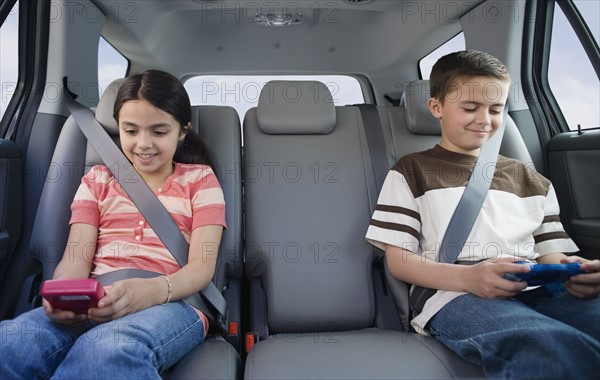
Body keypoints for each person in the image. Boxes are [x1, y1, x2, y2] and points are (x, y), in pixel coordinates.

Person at [366, 50, 600, 378]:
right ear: (436, 108)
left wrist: (574, 271)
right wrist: (467, 278)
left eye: (495, 109)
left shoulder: (532, 179)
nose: (484, 120)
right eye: (470, 108)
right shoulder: (411, 171)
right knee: (545, 344)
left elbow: (550, 252)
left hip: (537, 287)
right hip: (453, 294)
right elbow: (398, 261)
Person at [0, 69, 226, 379]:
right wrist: (64, 297)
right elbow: (75, 258)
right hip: (100, 298)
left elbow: (202, 266)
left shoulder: (200, 180)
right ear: (118, 127)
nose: (143, 144)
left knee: (106, 351)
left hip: (174, 301)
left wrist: (152, 291)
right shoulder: (97, 180)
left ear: (182, 131)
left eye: (159, 132)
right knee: (10, 343)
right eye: (131, 131)